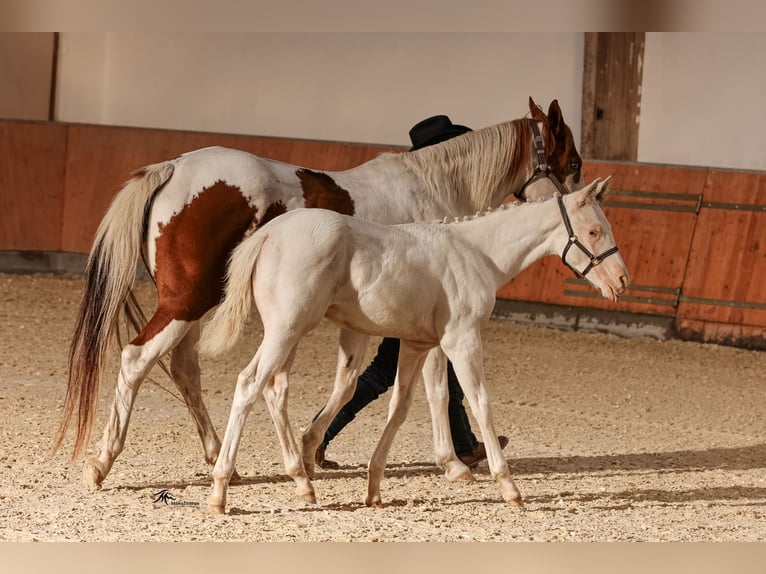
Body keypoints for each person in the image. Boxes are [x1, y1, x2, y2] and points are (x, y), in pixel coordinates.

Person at [312, 115, 509, 470]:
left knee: (435, 368)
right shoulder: (424, 196)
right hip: (406, 298)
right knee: (386, 372)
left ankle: (462, 444)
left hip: (409, 296)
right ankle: (319, 434)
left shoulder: (430, 192)